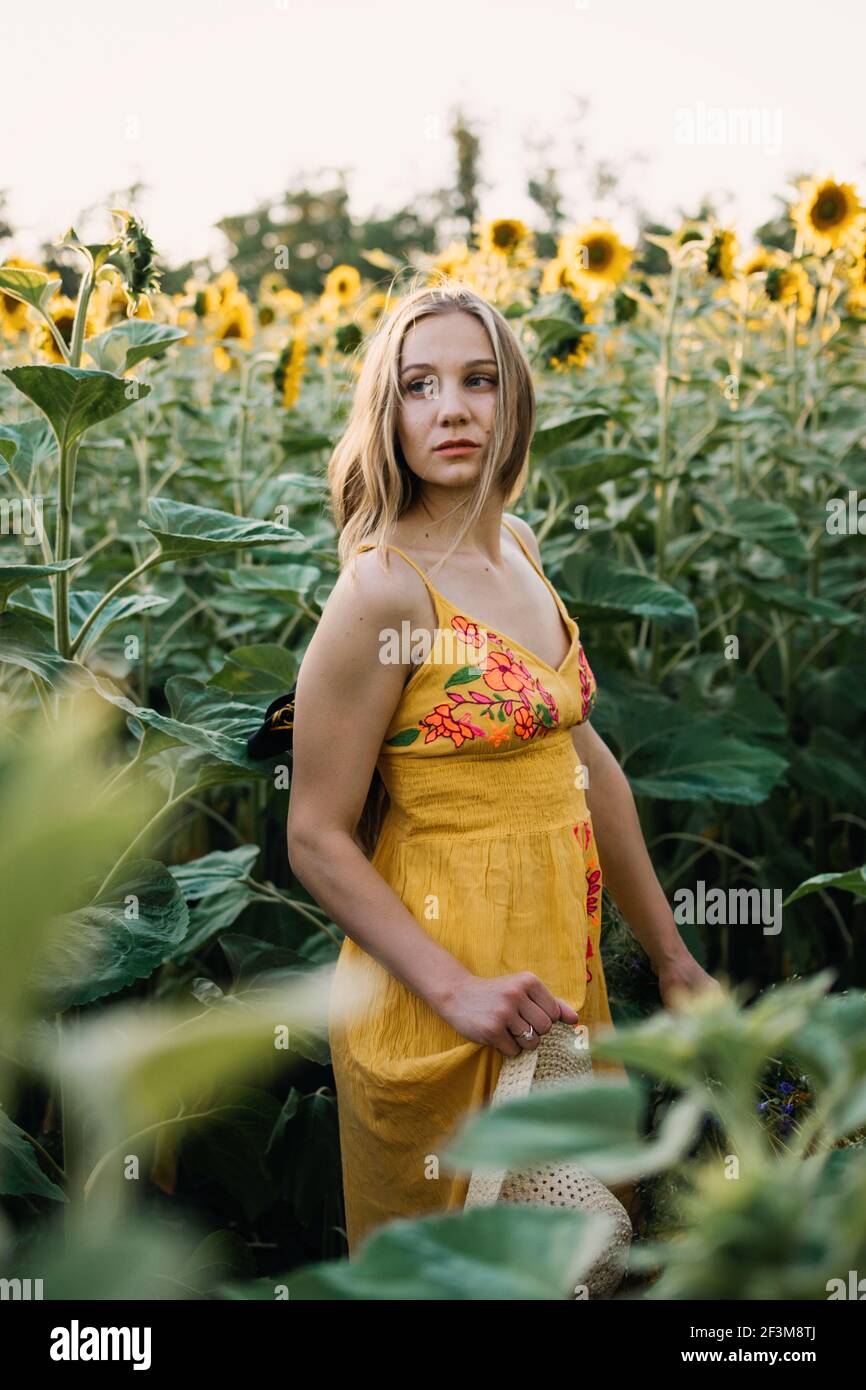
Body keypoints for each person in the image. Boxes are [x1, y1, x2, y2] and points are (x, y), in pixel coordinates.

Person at [286, 275, 718, 1255]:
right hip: (449, 989)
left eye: (478, 380)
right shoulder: (385, 590)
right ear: (384, 410)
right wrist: (455, 990)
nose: (450, 409)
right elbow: (313, 834)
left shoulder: (516, 546)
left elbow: (586, 763)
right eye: (418, 384)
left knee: (586, 1259)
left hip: (560, 967)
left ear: (512, 401)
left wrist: (670, 954)